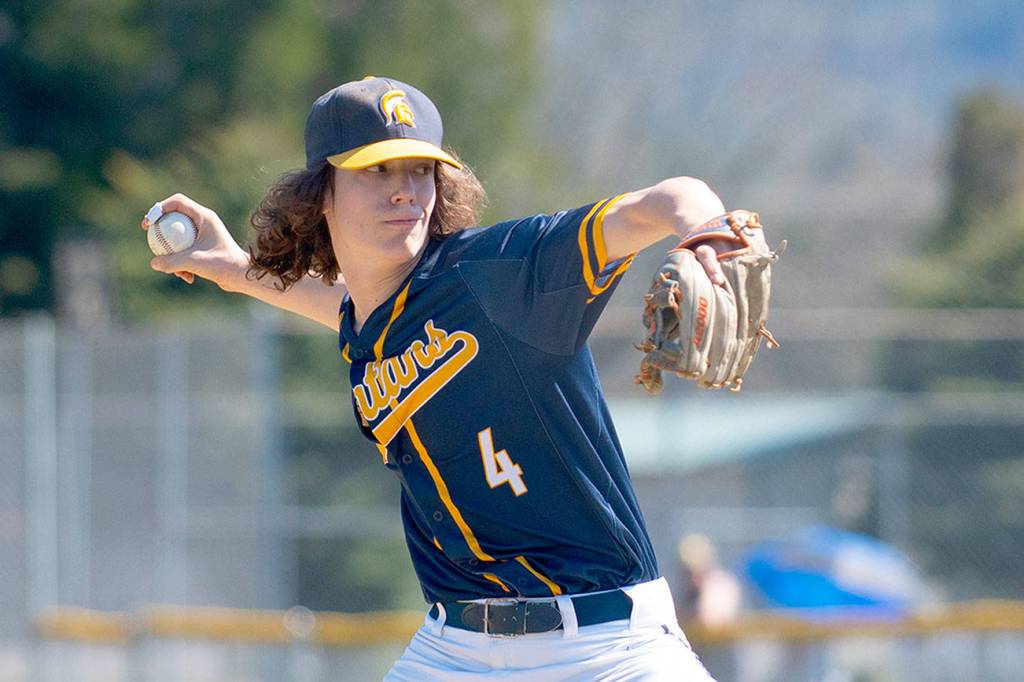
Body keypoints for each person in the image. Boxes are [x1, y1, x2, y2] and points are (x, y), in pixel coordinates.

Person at [143, 76, 734, 680]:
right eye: (377, 171)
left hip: (605, 644)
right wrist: (234, 269)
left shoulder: (498, 274)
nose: (405, 192)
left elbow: (667, 198)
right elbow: (347, 310)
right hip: (455, 650)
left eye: (420, 171)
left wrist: (707, 228)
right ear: (319, 194)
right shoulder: (373, 321)